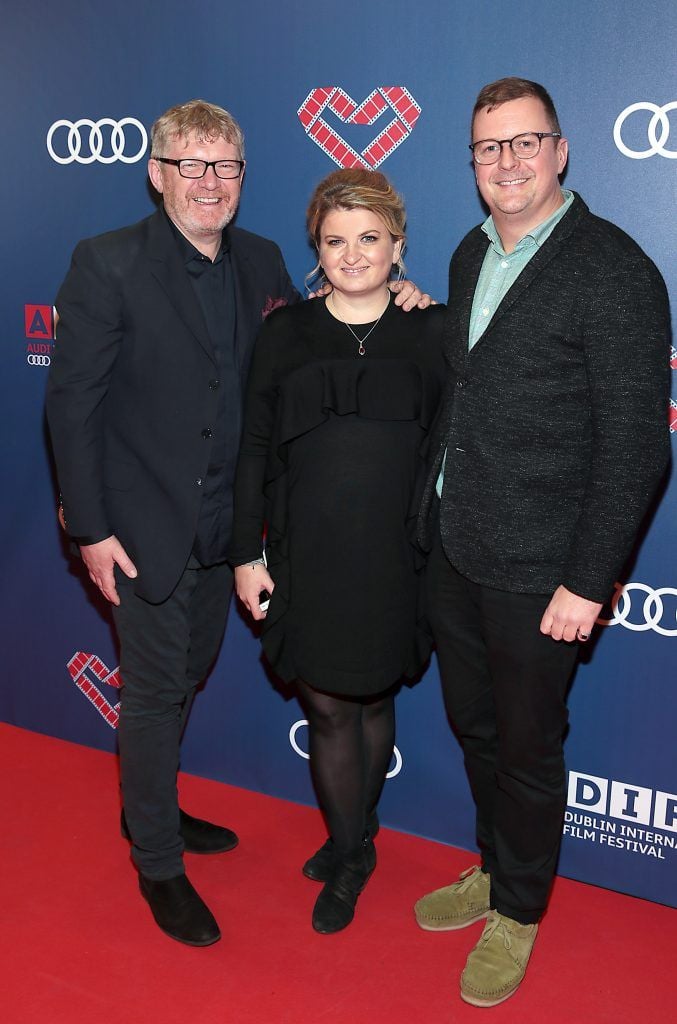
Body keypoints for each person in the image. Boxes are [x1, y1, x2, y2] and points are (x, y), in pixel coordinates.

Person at [46, 99, 426, 948]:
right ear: (158, 174)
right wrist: (91, 530)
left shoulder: (260, 263)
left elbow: (315, 340)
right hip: (141, 529)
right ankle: (155, 860)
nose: (209, 183)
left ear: (243, 178)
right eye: (191, 164)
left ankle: (159, 809)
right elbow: (71, 407)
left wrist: (398, 296)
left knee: (187, 676)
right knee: (150, 695)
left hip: (232, 533)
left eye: (226, 167)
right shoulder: (106, 263)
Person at [414, 78, 670, 1007]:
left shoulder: (613, 268)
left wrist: (585, 578)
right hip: (457, 548)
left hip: (542, 573)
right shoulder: (463, 256)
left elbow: (637, 444)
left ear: (560, 151)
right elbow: (466, 392)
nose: (507, 162)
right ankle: (490, 866)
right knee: (476, 729)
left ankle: (518, 908)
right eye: (488, 148)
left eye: (525, 143)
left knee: (526, 745)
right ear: (473, 163)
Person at [230, 168, 445, 933]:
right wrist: (244, 553)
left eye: (369, 238)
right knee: (326, 705)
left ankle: (358, 837)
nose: (352, 254)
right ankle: (349, 847)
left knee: (376, 693)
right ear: (316, 249)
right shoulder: (286, 331)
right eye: (334, 240)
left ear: (397, 243)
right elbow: (253, 448)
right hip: (306, 552)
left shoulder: (432, 329)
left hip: (395, 555)